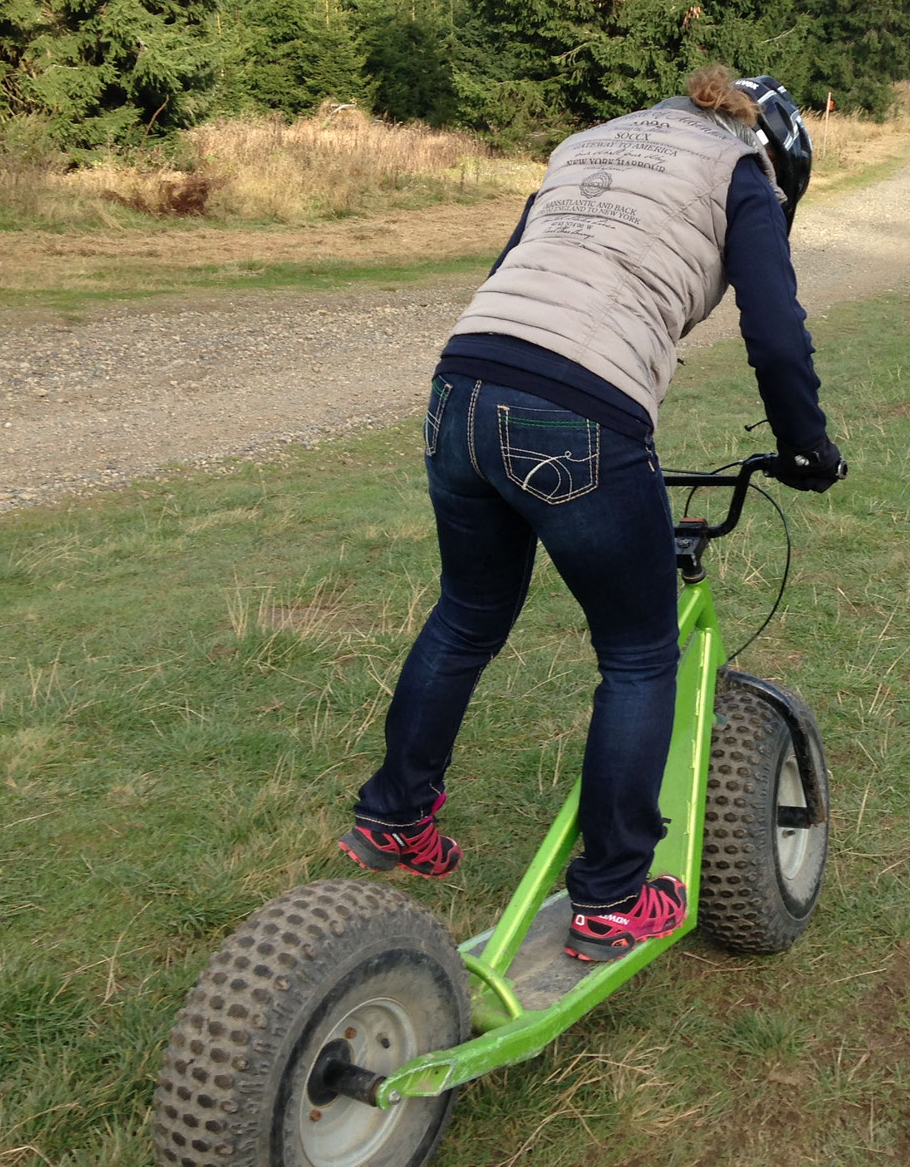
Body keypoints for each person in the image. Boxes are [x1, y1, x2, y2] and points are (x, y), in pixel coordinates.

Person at [340, 66, 845, 962]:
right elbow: (774, 329)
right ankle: (612, 897)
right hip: (576, 409)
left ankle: (392, 820)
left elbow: (514, 273)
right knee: (641, 652)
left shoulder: (585, 145)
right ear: (774, 150)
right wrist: (807, 445)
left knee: (466, 617)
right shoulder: (742, 176)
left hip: (462, 385)